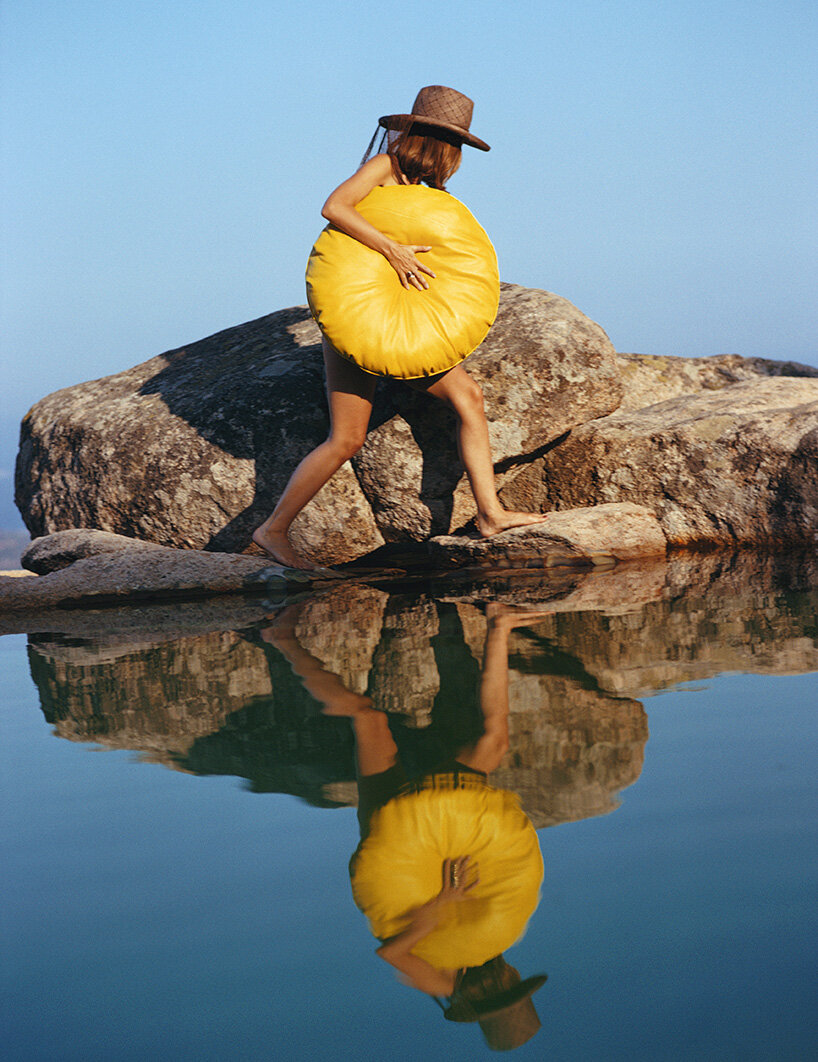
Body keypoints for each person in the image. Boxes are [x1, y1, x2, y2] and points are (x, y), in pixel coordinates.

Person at [252, 85, 549, 569]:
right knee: (349, 438)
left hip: (399, 322)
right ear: (444, 145)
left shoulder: (428, 194)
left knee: (465, 398)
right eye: (456, 147)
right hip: (360, 318)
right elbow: (334, 206)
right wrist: (393, 250)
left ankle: (490, 514)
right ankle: (273, 529)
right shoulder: (384, 168)